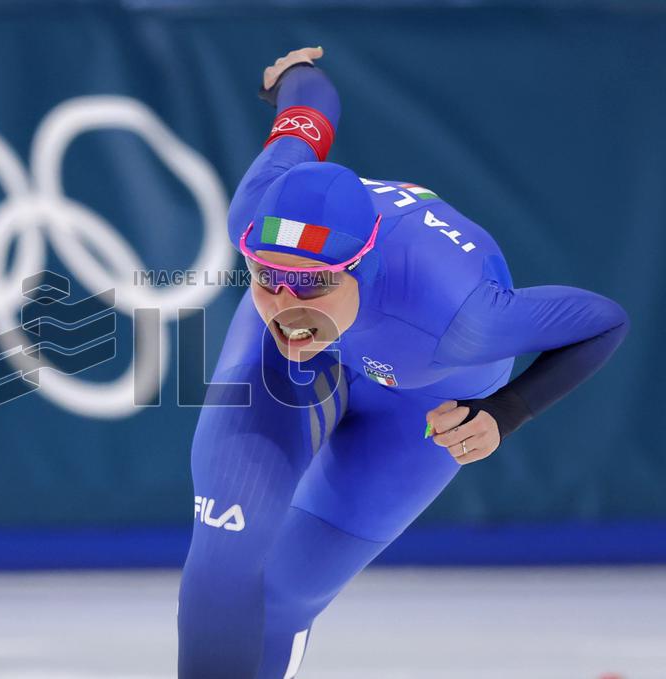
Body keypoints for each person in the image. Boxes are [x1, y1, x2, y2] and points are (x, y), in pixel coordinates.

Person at [176, 46, 630, 678]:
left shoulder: (462, 320)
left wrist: (506, 411)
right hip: (309, 370)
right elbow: (307, 112)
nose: (285, 307)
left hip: (422, 399)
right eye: (265, 277)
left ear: (360, 269)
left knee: (283, 596)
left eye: (310, 285)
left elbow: (604, 321)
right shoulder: (257, 210)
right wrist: (295, 74)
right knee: (226, 553)